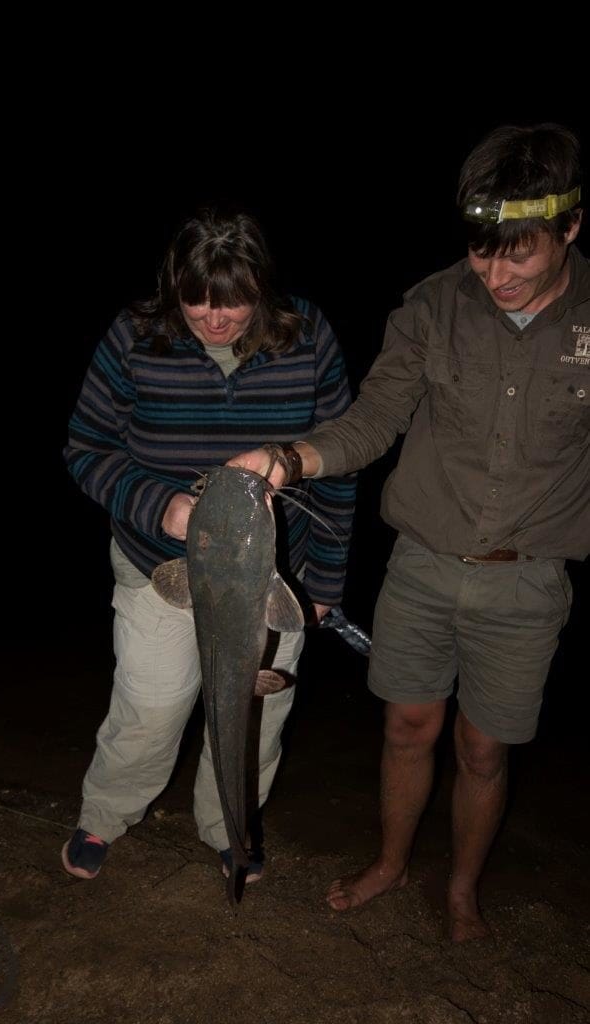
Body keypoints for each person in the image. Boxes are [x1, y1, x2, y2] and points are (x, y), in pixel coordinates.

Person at [229, 123, 588, 940]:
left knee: (485, 750)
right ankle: (390, 862)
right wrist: (289, 457)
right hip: (422, 567)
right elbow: (376, 418)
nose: (495, 273)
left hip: (527, 581)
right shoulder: (431, 305)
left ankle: (462, 889)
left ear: (571, 227)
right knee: (406, 726)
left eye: (520, 252)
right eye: (482, 250)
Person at [61, 205, 356, 884]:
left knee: (256, 709)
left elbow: (339, 463)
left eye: (235, 303)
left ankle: (231, 827)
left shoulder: (307, 335)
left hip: (271, 575)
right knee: (153, 705)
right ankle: (106, 813)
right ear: (173, 287)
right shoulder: (135, 335)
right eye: (197, 303)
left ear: (264, 289)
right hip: (157, 561)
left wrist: (326, 586)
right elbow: (85, 447)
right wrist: (161, 505)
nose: (216, 320)